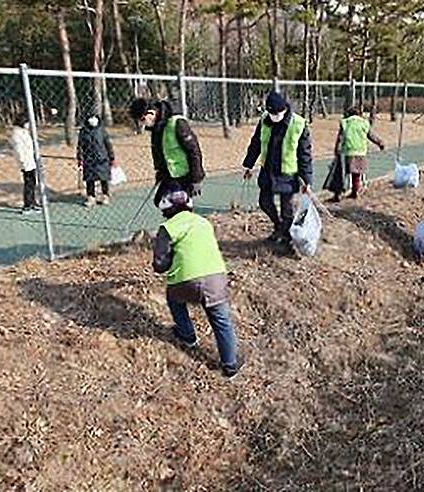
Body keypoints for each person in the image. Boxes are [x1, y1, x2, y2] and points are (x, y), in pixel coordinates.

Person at [152, 183, 242, 378]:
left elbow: (159, 264)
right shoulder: (204, 222)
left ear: (164, 206)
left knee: (174, 300)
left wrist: (167, 262)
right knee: (221, 320)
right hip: (216, 279)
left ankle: (187, 335)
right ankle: (230, 365)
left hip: (185, 281)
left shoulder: (167, 228)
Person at [242, 91, 313, 244]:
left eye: (277, 113)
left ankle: (287, 239)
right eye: (271, 113)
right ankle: (278, 227)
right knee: (264, 202)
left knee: (287, 210)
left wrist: (306, 180)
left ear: (285, 109)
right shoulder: (264, 121)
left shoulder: (299, 124)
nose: (275, 116)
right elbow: (256, 144)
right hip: (268, 171)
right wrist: (248, 165)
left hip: (288, 174)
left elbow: (304, 155)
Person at [128, 98, 205, 207]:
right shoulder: (156, 129)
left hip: (184, 175)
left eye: (142, 119)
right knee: (160, 201)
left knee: (175, 205)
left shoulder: (177, 124)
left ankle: (185, 221)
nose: (142, 124)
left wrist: (196, 179)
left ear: (151, 113)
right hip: (168, 174)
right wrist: (160, 171)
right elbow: (159, 152)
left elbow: (194, 151)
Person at [331, 106, 385, 201]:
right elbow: (371, 136)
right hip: (360, 152)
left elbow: (340, 138)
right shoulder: (364, 123)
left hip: (347, 151)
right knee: (356, 174)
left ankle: (338, 194)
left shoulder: (345, 122)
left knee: (341, 174)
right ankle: (355, 192)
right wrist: (380, 143)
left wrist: (337, 150)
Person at [76, 115, 115, 208]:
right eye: (90, 118)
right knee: (90, 179)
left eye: (94, 118)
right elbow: (80, 146)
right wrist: (79, 158)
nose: (92, 120)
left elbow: (108, 144)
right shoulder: (83, 131)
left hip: (102, 158)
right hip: (88, 159)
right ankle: (91, 196)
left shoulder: (102, 130)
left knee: (104, 178)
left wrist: (112, 157)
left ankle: (105, 195)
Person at [10, 113, 40, 215]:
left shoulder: (24, 132)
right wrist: (23, 162)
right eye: (27, 122)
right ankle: (27, 205)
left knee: (33, 183)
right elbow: (18, 150)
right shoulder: (16, 134)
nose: (28, 124)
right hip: (26, 163)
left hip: (31, 161)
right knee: (28, 184)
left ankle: (33, 202)